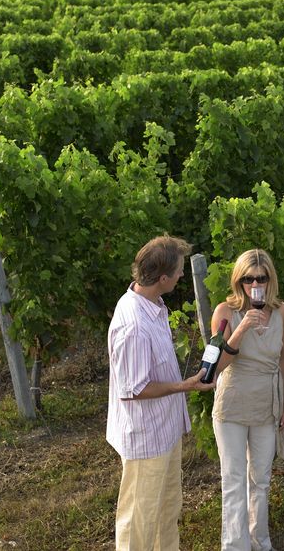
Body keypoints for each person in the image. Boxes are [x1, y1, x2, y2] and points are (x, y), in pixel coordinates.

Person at [107, 235, 216, 551]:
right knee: (138, 521)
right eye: (179, 271)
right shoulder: (134, 325)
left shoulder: (152, 304)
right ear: (163, 278)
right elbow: (134, 389)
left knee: (166, 511)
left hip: (164, 431)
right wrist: (186, 385)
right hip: (146, 439)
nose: (183, 275)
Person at [209, 248, 284, 551]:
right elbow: (216, 367)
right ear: (238, 280)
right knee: (233, 481)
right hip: (232, 402)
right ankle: (235, 547)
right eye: (248, 279)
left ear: (270, 279)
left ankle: (261, 543)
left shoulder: (281, 310)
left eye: (262, 278)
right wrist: (242, 328)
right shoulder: (224, 312)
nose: (255, 285)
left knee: (261, 479)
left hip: (266, 402)